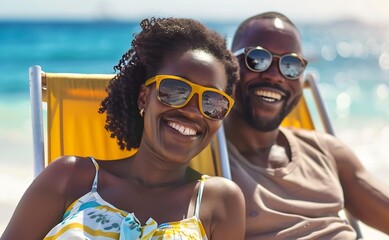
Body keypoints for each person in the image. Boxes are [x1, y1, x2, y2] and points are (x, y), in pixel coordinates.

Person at [1, 17, 245, 240]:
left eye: (212, 102)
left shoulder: (219, 201)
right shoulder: (70, 178)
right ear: (143, 99)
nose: (193, 110)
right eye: (175, 90)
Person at [224, 11, 389, 240]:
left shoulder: (327, 152)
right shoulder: (206, 158)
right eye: (257, 59)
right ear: (228, 66)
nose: (275, 76)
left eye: (291, 65)